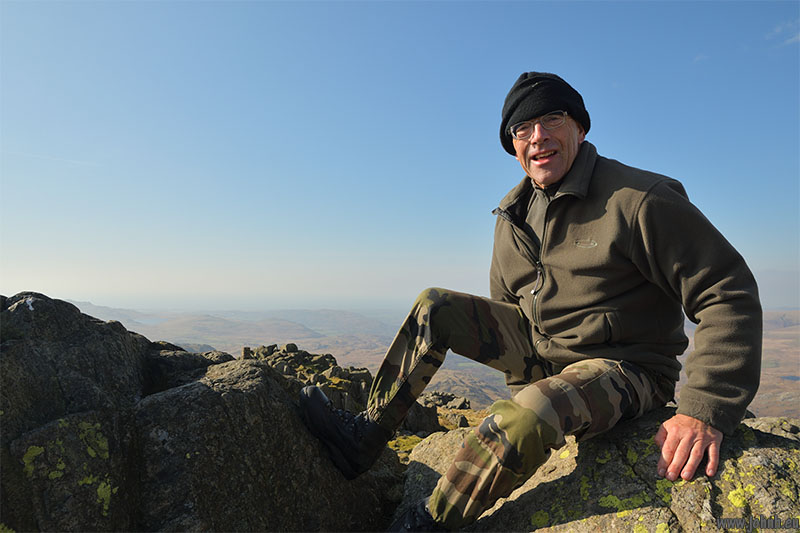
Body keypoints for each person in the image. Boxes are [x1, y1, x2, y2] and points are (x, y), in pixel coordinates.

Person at [299, 72, 762, 531]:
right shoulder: (513, 214)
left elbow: (727, 290)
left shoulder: (641, 200)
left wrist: (703, 410)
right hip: (546, 355)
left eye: (552, 119)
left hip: (627, 368)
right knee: (434, 305)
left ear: (579, 128)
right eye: (523, 129)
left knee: (531, 411)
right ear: (514, 146)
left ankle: (426, 523)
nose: (538, 136)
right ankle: (365, 436)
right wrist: (528, 389)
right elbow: (509, 307)